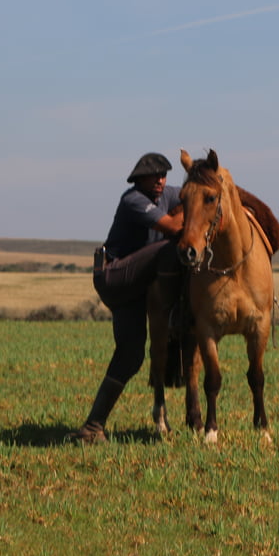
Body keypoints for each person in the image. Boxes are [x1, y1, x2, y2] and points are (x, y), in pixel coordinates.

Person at [68, 152, 184, 444]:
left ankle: (93, 427)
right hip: (115, 275)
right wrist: (191, 213)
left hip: (138, 283)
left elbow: (195, 197)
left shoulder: (170, 194)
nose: (161, 180)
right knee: (171, 247)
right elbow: (173, 227)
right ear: (139, 179)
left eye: (164, 175)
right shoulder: (133, 200)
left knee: (131, 355)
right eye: (154, 175)